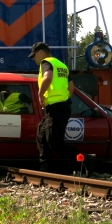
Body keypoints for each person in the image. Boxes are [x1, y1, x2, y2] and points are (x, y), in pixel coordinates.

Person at [30, 42, 93, 175]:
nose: (34, 59)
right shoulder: (62, 65)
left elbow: (48, 77)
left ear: (40, 52)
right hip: (60, 107)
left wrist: (40, 95)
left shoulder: (46, 62)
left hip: (56, 107)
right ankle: (44, 167)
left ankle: (83, 160)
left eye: (34, 56)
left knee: (55, 141)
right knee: (42, 135)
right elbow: (71, 87)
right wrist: (65, 99)